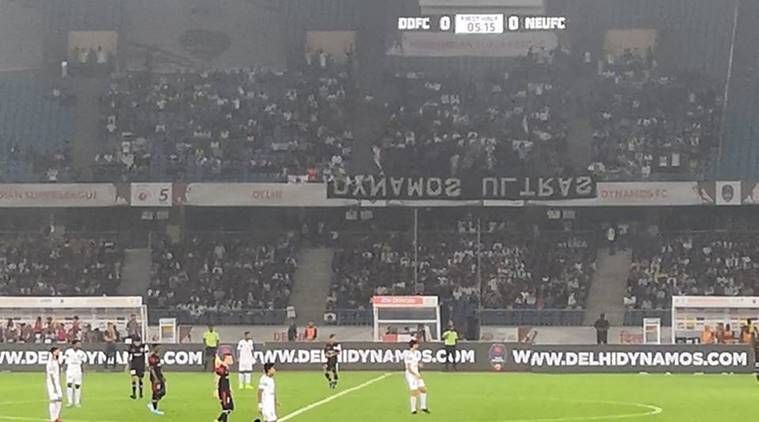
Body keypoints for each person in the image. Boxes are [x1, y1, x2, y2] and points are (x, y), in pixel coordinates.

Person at [404, 339, 430, 415]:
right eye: (417, 344)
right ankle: (413, 409)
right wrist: (415, 374)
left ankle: (423, 407)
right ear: (413, 345)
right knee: (414, 391)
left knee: (423, 389)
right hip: (411, 374)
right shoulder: (408, 354)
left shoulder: (416, 353)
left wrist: (419, 365)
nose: (418, 345)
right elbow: (408, 367)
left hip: (416, 373)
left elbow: (415, 362)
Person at [63, 339, 87, 408]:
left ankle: (77, 402)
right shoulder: (68, 352)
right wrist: (63, 370)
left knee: (77, 386)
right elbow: (66, 362)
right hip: (70, 369)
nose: (79, 345)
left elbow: (83, 362)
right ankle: (70, 402)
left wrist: (84, 371)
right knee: (69, 384)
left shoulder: (82, 353)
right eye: (78, 344)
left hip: (78, 370)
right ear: (74, 344)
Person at [215, 352, 234, 422]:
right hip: (223, 388)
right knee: (226, 407)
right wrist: (216, 390)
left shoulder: (226, 366)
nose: (232, 359)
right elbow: (217, 377)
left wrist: (230, 389)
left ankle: (218, 420)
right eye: (230, 358)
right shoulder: (222, 367)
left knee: (231, 407)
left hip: (226, 387)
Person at [147, 344, 166, 415]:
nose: (159, 348)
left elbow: (159, 368)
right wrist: (155, 378)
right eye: (158, 347)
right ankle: (155, 409)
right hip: (155, 378)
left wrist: (162, 376)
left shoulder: (157, 356)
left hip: (159, 377)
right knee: (156, 392)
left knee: (163, 392)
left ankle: (152, 403)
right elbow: (151, 369)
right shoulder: (151, 357)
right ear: (154, 348)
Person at [46, 347, 63, 422]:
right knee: (53, 400)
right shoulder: (50, 362)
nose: (58, 352)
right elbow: (50, 373)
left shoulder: (56, 361)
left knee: (59, 400)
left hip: (57, 382)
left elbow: (61, 362)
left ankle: (56, 417)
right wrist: (54, 385)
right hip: (52, 383)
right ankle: (52, 419)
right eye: (57, 351)